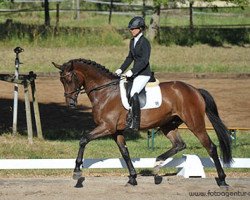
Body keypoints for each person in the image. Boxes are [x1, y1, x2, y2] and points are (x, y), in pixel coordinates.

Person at [115, 16, 152, 131]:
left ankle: (135, 122)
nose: (131, 31)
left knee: (133, 92)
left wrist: (132, 71)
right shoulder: (132, 41)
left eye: (133, 29)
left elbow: (144, 61)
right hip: (136, 73)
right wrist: (121, 69)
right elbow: (130, 57)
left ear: (140, 29)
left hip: (144, 73)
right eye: (130, 29)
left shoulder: (145, 42)